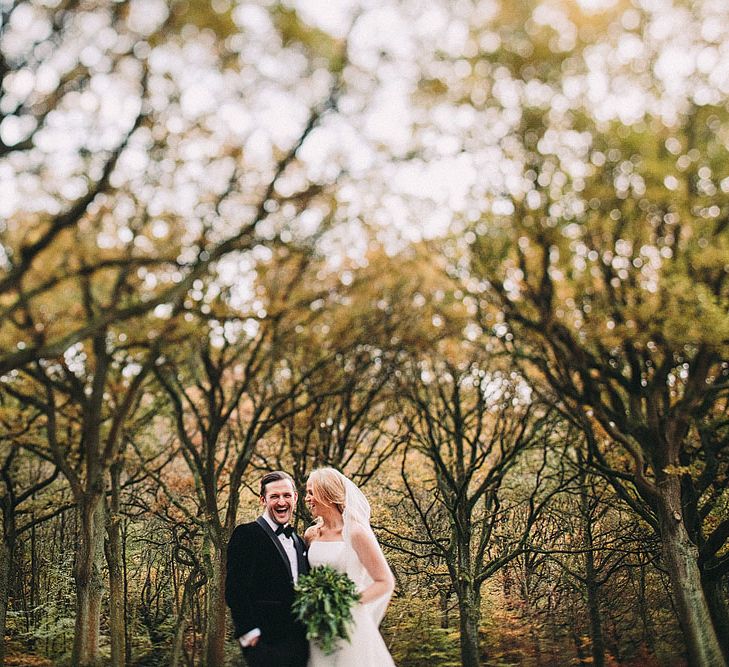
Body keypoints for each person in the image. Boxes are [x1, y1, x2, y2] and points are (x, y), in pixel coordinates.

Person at [304, 467, 396, 666]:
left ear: (326, 494)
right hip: (318, 625)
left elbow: (385, 582)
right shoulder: (311, 534)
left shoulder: (355, 533)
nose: (306, 498)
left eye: (311, 492)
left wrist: (344, 605)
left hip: (349, 623)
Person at [225, 470, 309, 667]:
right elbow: (235, 589)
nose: (281, 502)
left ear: (295, 498)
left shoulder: (299, 542)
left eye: (287, 495)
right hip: (265, 645)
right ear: (263, 499)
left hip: (301, 643)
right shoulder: (246, 535)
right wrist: (249, 632)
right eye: (274, 496)